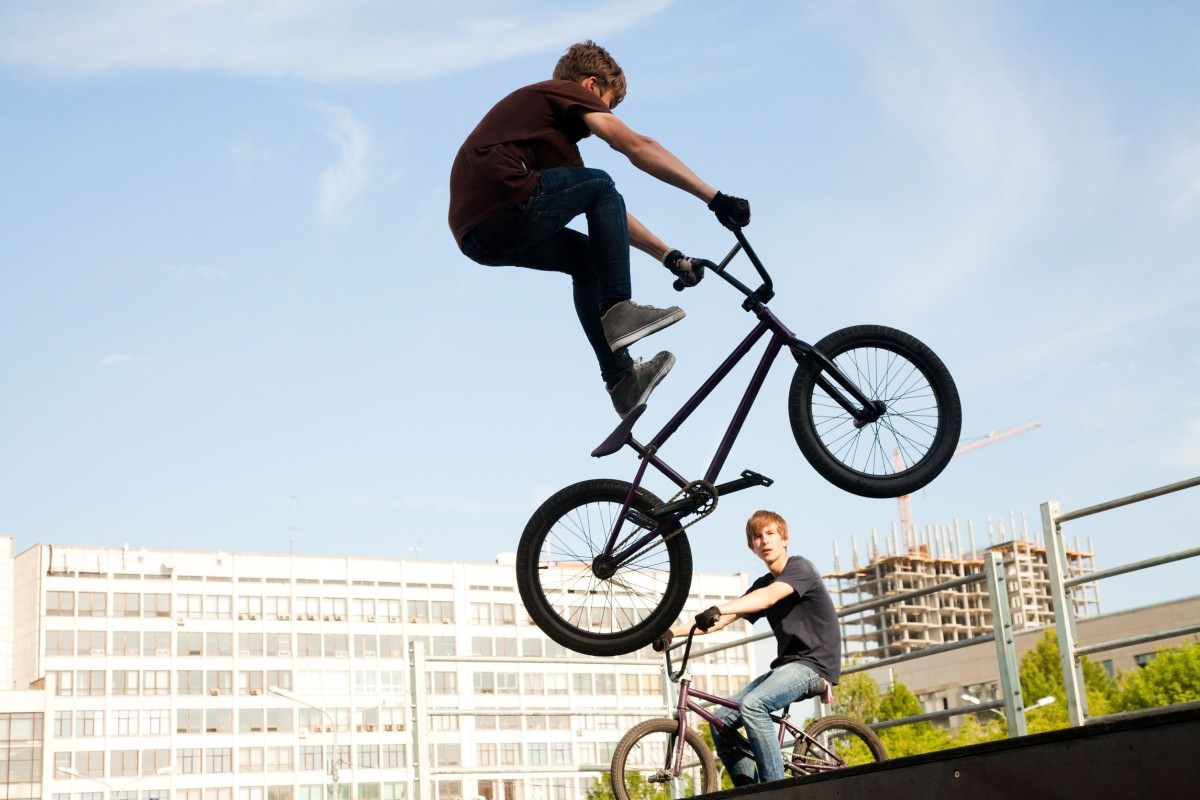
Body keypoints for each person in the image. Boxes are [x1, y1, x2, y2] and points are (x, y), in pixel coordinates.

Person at [448, 40, 750, 418]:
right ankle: (617, 308)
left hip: (479, 234)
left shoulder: (550, 141)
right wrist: (715, 197)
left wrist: (669, 257)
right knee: (602, 183)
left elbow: (606, 209)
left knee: (589, 258)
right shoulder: (563, 92)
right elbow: (637, 147)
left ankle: (622, 380)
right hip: (503, 197)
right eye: (607, 105)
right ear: (590, 87)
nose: (600, 120)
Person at [658, 510, 841, 786]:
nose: (764, 541)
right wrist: (673, 633)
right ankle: (750, 791)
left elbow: (768, 598)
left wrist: (720, 607)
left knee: (753, 705)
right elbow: (723, 621)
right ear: (752, 547)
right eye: (757, 537)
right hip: (786, 666)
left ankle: (775, 789)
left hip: (813, 666)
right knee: (720, 721)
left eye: (770, 534)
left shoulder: (800, 568)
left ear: (784, 539)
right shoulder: (761, 584)